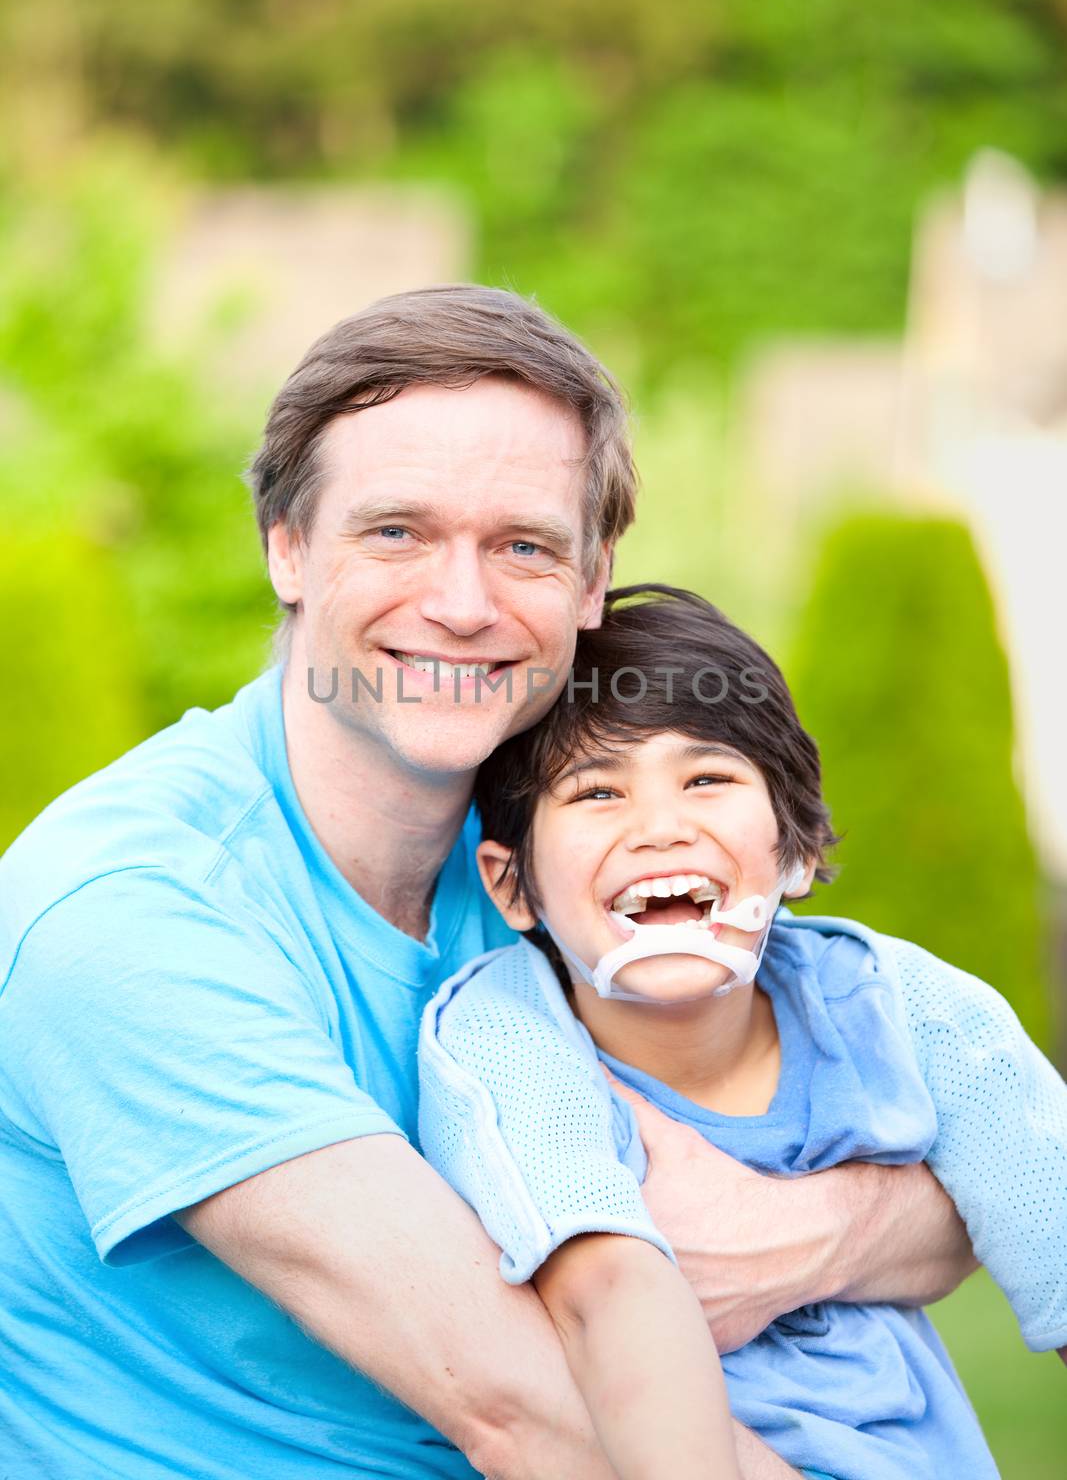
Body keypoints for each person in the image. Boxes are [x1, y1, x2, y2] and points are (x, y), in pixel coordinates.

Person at [0, 287, 975, 1480]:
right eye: (395, 532)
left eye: (520, 545)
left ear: (590, 581)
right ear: (287, 545)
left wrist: (795, 1234)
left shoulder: (568, 854)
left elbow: (964, 1164)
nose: (461, 606)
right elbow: (525, 1412)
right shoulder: (129, 912)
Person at [419, 583, 1067, 1480]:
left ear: (794, 845)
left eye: (706, 778)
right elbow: (608, 1289)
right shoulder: (504, 1037)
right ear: (511, 886)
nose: (659, 827)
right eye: (597, 791)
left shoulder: (905, 1007)